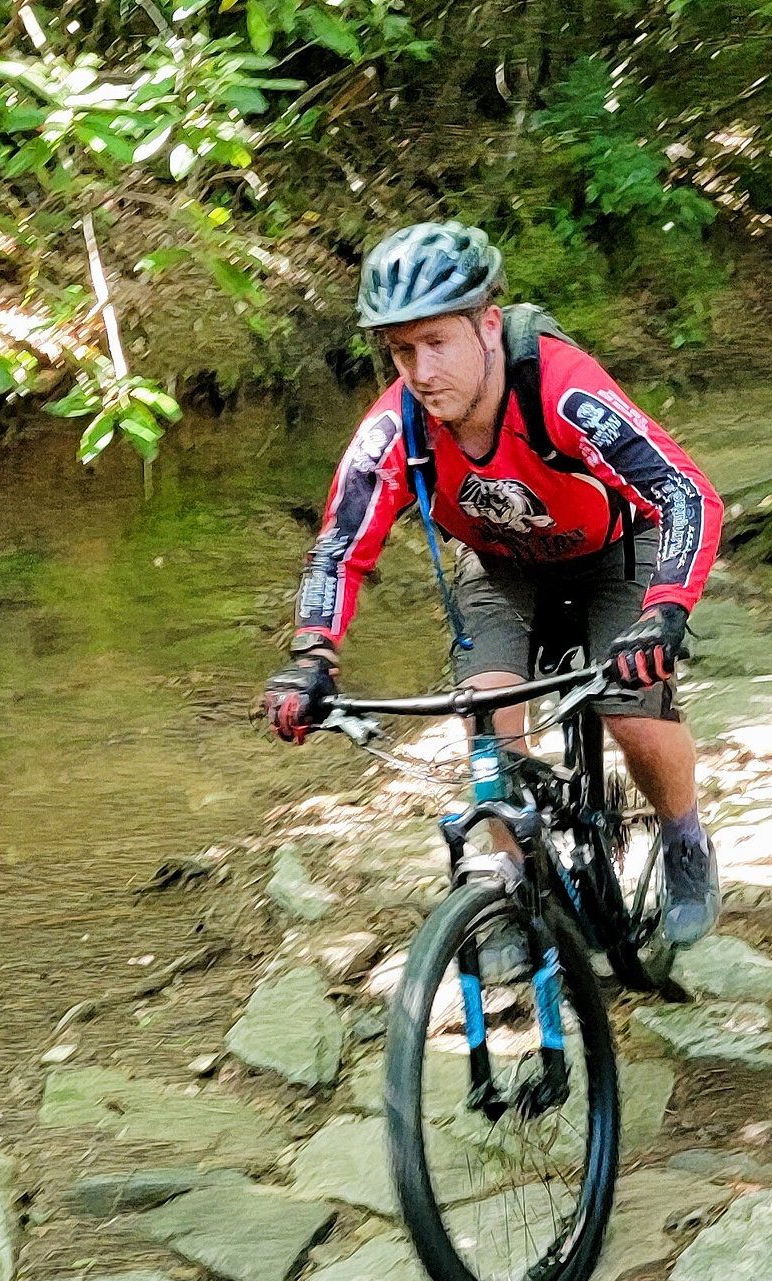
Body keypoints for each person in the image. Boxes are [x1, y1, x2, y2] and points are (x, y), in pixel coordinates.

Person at [260, 220, 724, 945]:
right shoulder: (396, 428)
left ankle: (684, 839)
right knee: (484, 723)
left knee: (630, 709)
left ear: (488, 325)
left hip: (615, 551)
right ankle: (519, 889)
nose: (420, 370)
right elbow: (340, 546)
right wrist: (311, 657)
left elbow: (684, 492)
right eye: (402, 350)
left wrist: (666, 609)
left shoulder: (562, 389)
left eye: (437, 342)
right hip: (502, 564)